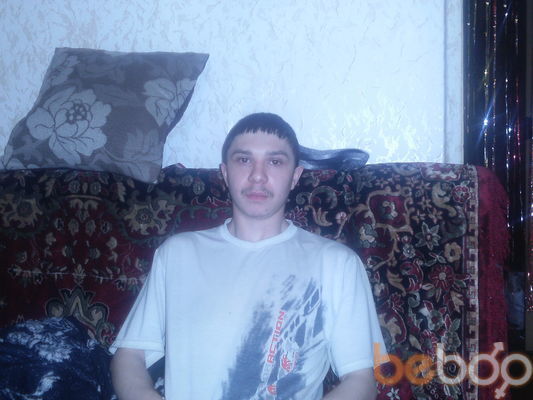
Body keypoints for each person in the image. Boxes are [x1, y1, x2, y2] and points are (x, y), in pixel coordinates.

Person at [110, 113, 386, 400]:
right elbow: (129, 356)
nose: (258, 175)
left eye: (275, 162)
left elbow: (360, 381)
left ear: (295, 177)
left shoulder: (337, 264)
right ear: (225, 173)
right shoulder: (177, 253)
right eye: (244, 160)